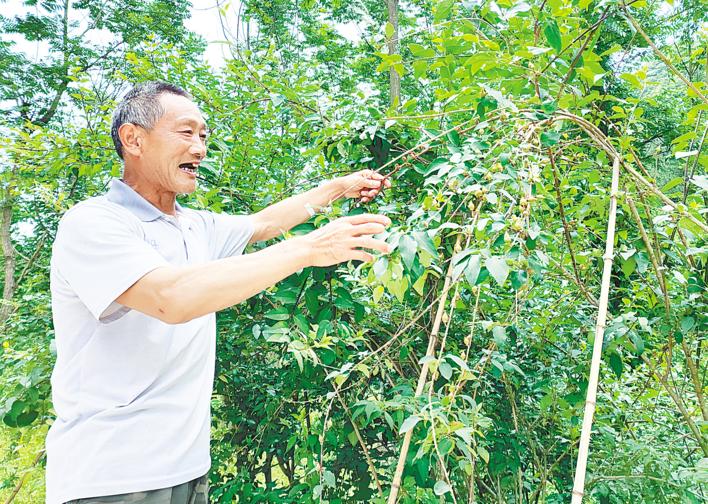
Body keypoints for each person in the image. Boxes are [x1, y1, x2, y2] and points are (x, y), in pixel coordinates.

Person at [46, 81, 392, 504]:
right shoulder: (95, 223)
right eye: (186, 132)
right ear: (133, 139)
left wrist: (341, 186)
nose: (200, 148)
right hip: (113, 477)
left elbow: (264, 224)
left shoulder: (195, 227)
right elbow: (169, 299)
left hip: (190, 470)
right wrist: (308, 249)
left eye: (204, 136)